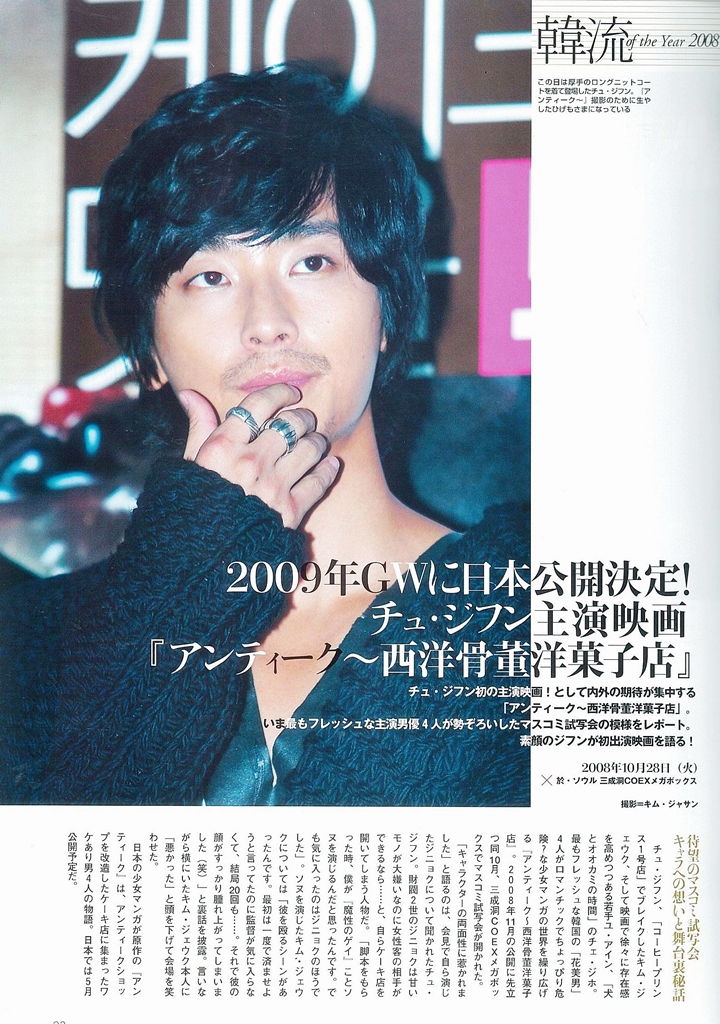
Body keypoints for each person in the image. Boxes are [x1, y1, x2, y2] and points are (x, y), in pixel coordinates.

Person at [0, 66, 529, 805]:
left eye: (311, 262)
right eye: (210, 277)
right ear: (148, 355)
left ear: (390, 312)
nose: (267, 323)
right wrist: (193, 576)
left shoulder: (528, 614)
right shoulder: (31, 641)